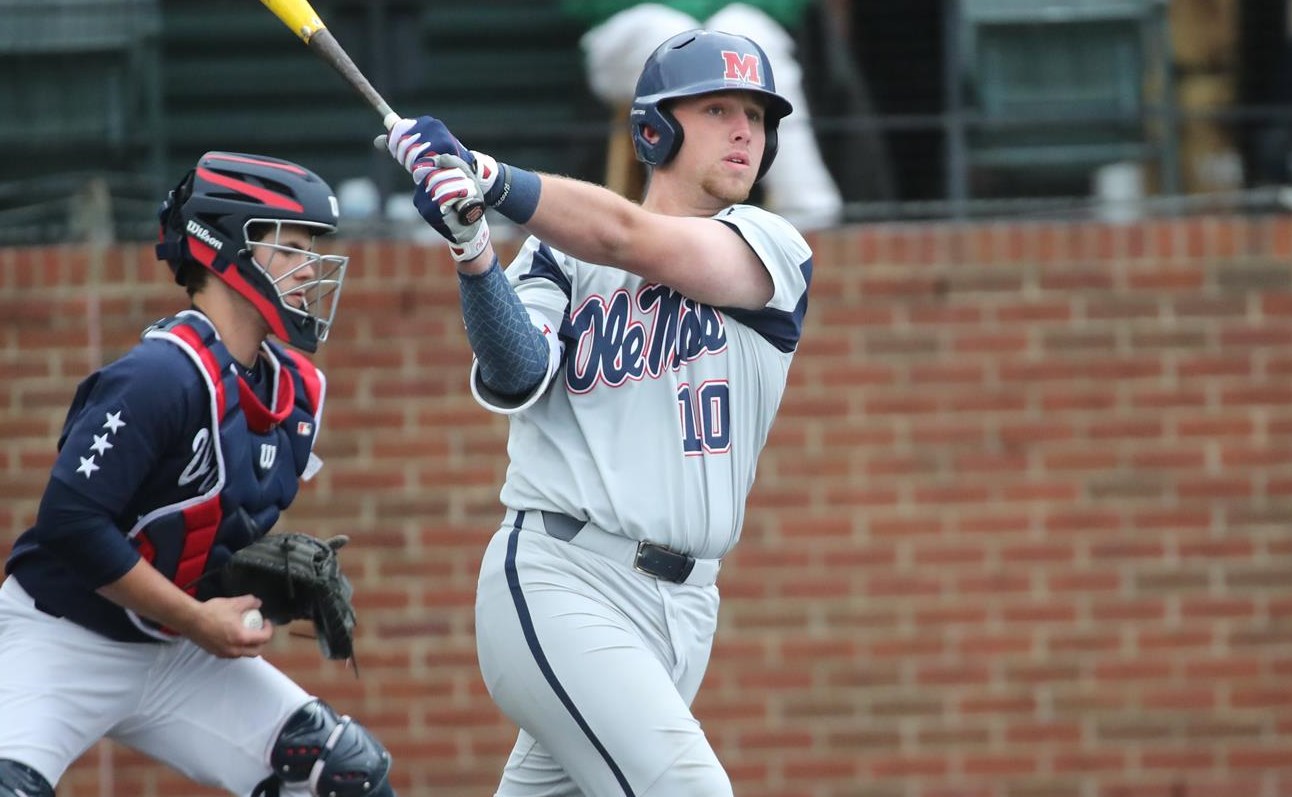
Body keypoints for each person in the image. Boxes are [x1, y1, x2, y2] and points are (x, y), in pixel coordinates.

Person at [380, 27, 812, 795]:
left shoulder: (771, 248)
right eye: (717, 108)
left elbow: (625, 235)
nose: (747, 129)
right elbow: (517, 369)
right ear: (656, 128)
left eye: (758, 113)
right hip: (563, 579)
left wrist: (485, 174)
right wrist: (474, 249)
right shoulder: (557, 254)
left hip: (686, 607)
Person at [0, 152, 397, 797]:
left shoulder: (293, 391)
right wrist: (195, 617)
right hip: (61, 637)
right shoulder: (159, 377)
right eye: (290, 246)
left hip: (175, 650)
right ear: (227, 247)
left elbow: (196, 520)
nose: (310, 269)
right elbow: (69, 524)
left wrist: (233, 578)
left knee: (343, 776)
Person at [564, 0, 843, 230]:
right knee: (672, 36)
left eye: (755, 118)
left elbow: (788, 7)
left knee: (745, 37)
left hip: (730, 17)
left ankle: (808, 216)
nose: (744, 130)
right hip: (631, 25)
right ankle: (671, 224)